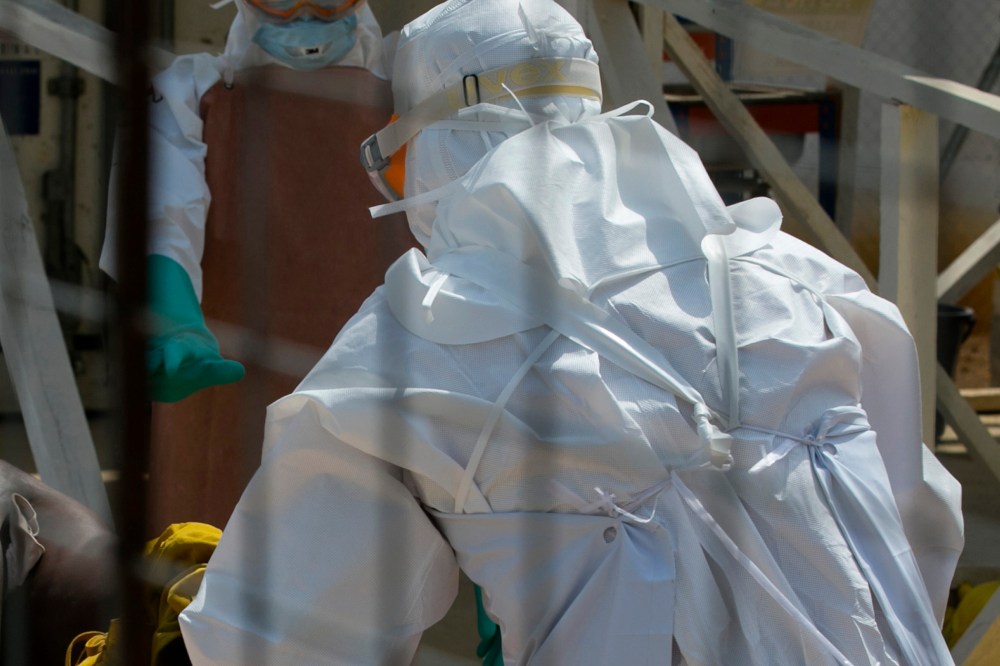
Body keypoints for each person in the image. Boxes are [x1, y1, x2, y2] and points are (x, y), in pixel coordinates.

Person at [180, 0, 964, 663]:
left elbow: (279, 635)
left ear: (434, 143)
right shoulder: (806, 282)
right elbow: (917, 526)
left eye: (397, 158)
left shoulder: (427, 330)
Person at [99, 0, 415, 532]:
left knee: (371, 565)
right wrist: (174, 322)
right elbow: (157, 210)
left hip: (381, 387)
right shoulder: (190, 94)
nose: (305, 14)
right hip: (227, 383)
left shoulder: (414, 94)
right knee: (212, 558)